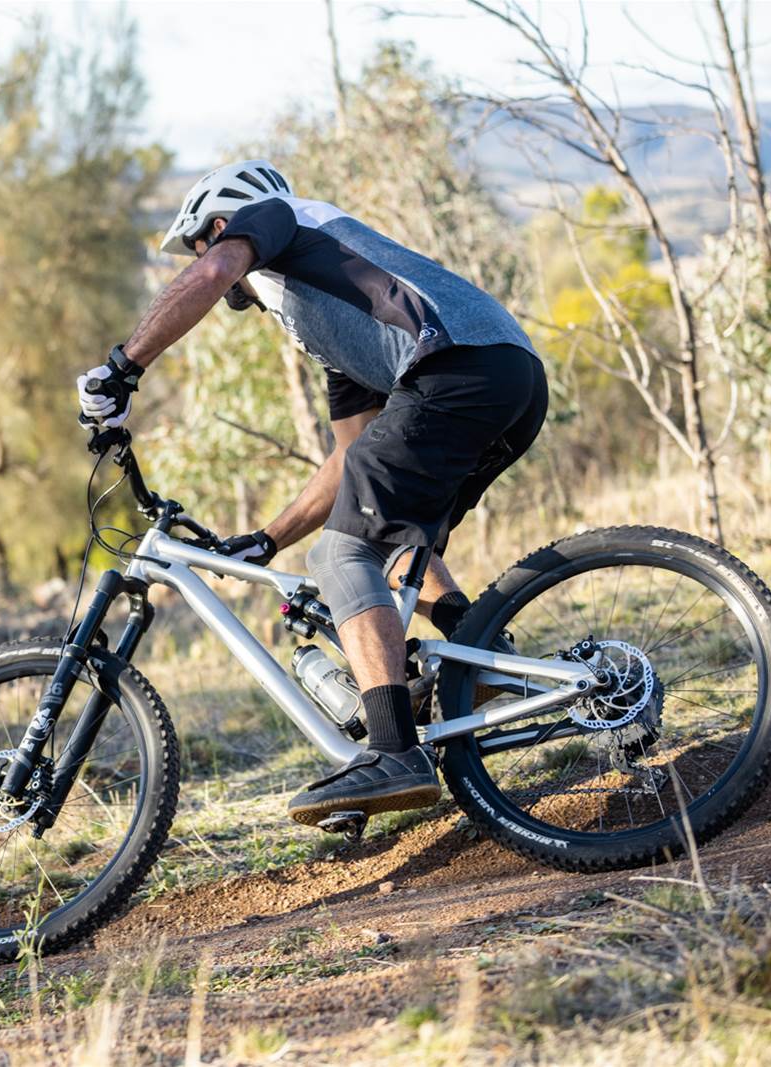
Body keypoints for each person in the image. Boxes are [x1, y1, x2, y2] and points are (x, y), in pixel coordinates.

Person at [75, 159, 548, 826]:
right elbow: (351, 454)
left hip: (456, 370)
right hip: (507, 373)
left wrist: (123, 367)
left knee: (337, 558)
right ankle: (488, 657)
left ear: (221, 224)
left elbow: (210, 275)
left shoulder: (277, 219)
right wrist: (268, 537)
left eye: (201, 243)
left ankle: (392, 752)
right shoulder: (326, 303)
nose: (208, 261)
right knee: (381, 536)